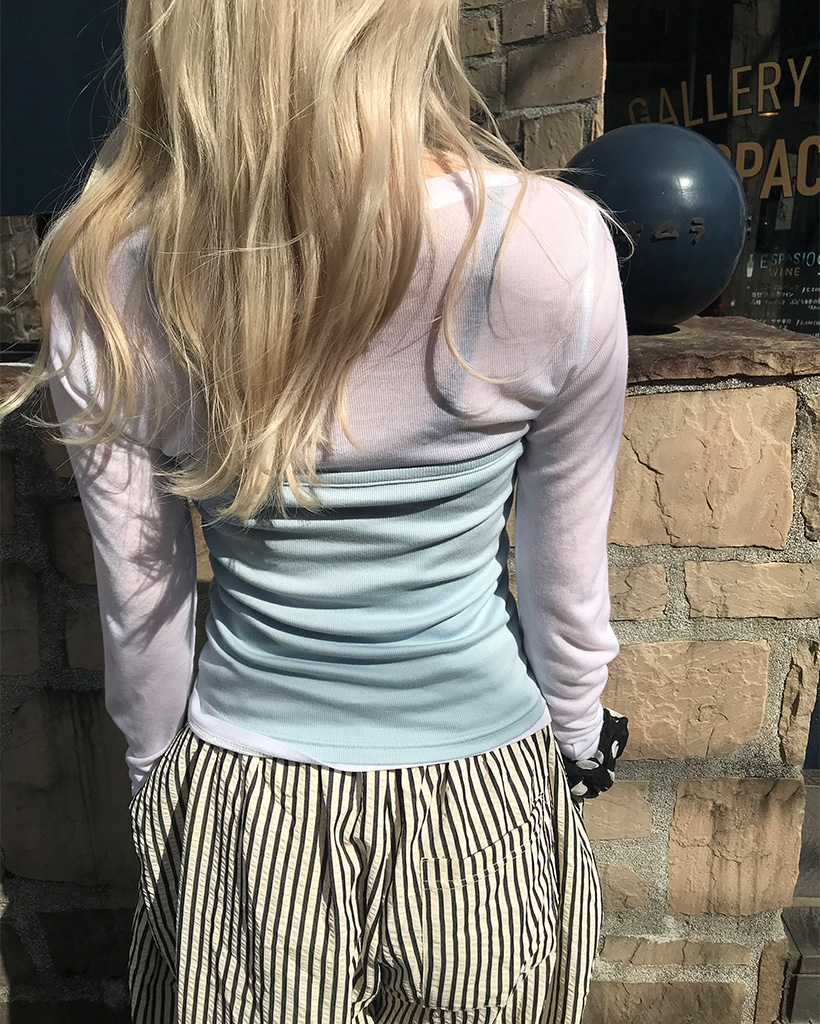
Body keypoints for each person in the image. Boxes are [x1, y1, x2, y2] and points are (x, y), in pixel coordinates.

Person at [0, 1, 632, 1020]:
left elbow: (143, 603)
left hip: (250, 810)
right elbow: (566, 580)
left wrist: (158, 784)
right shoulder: (547, 242)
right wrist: (577, 735)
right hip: (484, 798)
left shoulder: (112, 272)